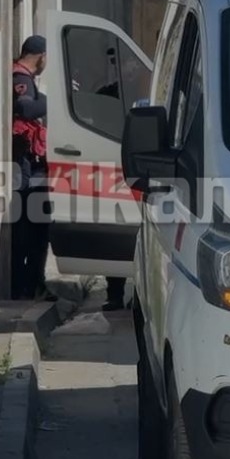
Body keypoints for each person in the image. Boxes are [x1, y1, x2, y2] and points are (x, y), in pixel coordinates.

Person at [11, 35, 55, 301]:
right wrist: (54, 100)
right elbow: (26, 109)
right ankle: (28, 286)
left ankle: (32, 284)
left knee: (35, 227)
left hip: (31, 165)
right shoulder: (21, 78)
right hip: (25, 166)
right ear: (41, 57)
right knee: (32, 229)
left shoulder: (25, 78)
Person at [93, 77, 128, 312]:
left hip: (136, 175)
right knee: (119, 239)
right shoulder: (112, 93)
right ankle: (115, 295)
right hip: (116, 174)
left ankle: (120, 295)